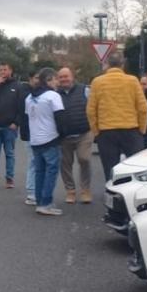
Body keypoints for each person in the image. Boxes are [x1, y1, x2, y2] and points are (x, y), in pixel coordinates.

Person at [87, 48, 147, 189]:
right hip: (131, 130)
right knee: (136, 168)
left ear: (107, 64)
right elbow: (143, 108)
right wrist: (142, 130)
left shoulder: (97, 82)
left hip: (106, 131)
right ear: (123, 64)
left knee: (110, 170)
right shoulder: (132, 81)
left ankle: (113, 201)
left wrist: (96, 131)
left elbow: (91, 110)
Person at [24, 68, 66, 216]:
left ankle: (39, 200)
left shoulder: (29, 97)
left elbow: (29, 117)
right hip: (50, 138)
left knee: (39, 171)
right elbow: (60, 118)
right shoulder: (53, 96)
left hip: (35, 139)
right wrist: (62, 135)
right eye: (55, 79)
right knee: (51, 171)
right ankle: (46, 202)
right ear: (48, 80)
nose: (58, 82)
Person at [54, 67, 95, 205]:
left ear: (72, 77)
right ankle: (70, 191)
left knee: (84, 159)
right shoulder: (54, 94)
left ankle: (85, 190)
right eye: (61, 77)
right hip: (63, 136)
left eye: (66, 76)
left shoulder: (85, 90)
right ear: (58, 79)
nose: (64, 79)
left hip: (84, 132)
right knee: (65, 164)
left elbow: (94, 107)